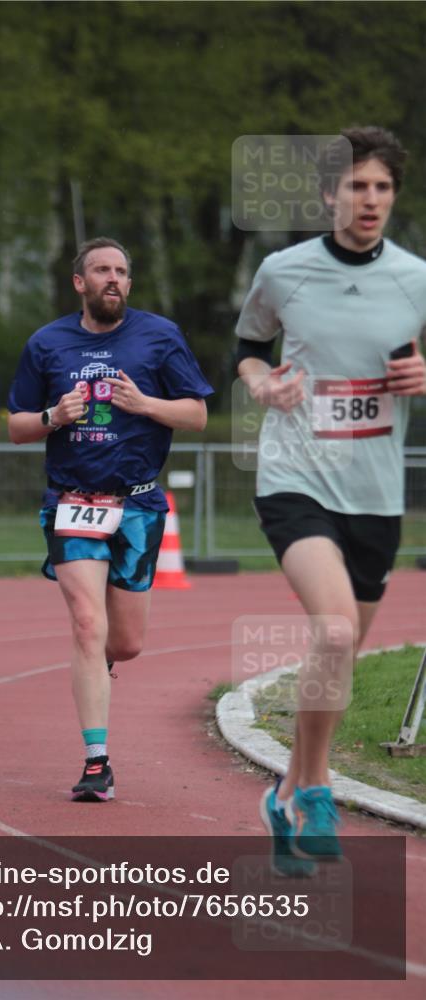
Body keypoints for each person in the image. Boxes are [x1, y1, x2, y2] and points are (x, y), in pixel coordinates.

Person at [236, 126, 426, 875]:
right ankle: (316, 792)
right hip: (296, 477)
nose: (369, 199)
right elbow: (247, 348)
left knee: (338, 652)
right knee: (338, 632)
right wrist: (261, 385)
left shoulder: (413, 278)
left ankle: (286, 795)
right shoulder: (284, 271)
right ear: (327, 195)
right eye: (356, 186)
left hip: (374, 492)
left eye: (382, 187)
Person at [8, 237, 214, 801]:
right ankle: (97, 763)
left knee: (124, 643)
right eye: (102, 270)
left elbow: (197, 414)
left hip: (138, 505)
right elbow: (17, 426)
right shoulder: (47, 343)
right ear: (80, 282)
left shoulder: (160, 336)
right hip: (72, 501)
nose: (113, 279)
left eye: (121, 271)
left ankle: (98, 659)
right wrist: (54, 415)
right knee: (86, 622)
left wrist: (144, 404)